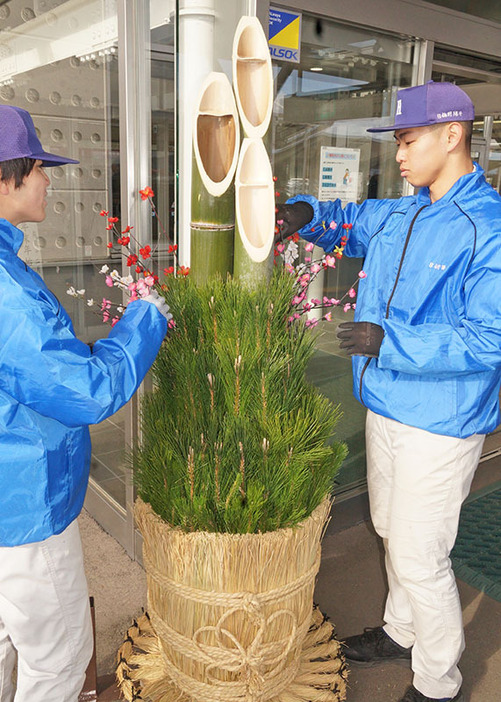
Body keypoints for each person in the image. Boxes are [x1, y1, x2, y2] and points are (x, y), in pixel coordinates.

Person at [276, 81, 501, 702]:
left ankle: (437, 682)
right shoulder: (405, 211)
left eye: (408, 140)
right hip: (386, 404)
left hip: (442, 420)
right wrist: (302, 217)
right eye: (397, 141)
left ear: (452, 135)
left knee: (420, 556)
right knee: (387, 529)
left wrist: (390, 341)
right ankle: (401, 633)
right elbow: (349, 222)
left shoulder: (489, 229)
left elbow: (489, 339)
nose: (399, 154)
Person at [0, 105, 171, 701]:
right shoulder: (6, 290)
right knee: (59, 660)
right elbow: (85, 392)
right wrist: (146, 320)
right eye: (38, 167)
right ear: (6, 176)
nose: (49, 179)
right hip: (25, 508)